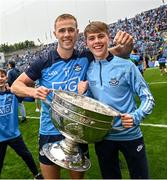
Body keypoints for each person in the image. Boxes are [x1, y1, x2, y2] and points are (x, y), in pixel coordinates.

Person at [11, 14, 133, 179]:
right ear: (55, 33)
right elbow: (16, 86)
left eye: (70, 30)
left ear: (77, 33)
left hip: (77, 130)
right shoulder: (43, 60)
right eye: (62, 30)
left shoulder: (86, 56)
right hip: (50, 130)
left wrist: (127, 43)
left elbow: (121, 52)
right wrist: (33, 92)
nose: (66, 34)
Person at [78, 21, 155, 179]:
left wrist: (136, 116)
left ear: (109, 38)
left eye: (101, 36)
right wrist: (85, 94)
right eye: (91, 38)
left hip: (131, 135)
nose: (97, 41)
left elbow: (148, 98)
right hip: (103, 138)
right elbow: (93, 103)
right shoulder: (89, 70)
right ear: (86, 43)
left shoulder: (127, 66)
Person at [0, 68, 42, 179]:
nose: (0, 78)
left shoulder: (14, 94)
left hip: (14, 134)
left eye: (2, 76)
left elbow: (30, 95)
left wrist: (33, 85)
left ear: (6, 78)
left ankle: (37, 175)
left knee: (26, 155)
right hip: (0, 137)